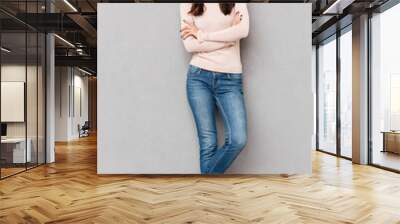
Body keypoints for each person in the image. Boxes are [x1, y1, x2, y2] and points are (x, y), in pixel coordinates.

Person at [180, 3, 250, 174]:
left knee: (238, 139)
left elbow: (243, 31)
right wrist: (228, 41)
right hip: (198, 78)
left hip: (230, 79)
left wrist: (202, 35)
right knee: (208, 143)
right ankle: (208, 196)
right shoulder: (186, 3)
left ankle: (204, 187)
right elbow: (191, 46)